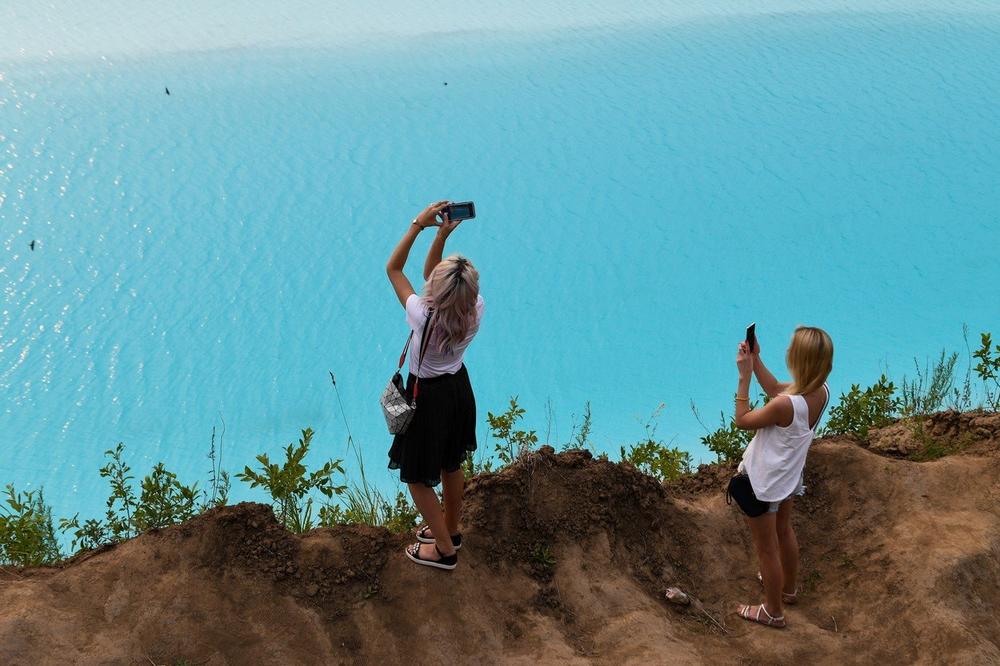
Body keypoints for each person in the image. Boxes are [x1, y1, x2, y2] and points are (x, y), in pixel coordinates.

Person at [385, 200, 484, 571]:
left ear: (435, 295)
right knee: (451, 464)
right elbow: (433, 280)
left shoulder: (422, 314)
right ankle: (452, 530)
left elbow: (393, 269)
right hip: (459, 389)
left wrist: (418, 225)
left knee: (416, 477)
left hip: (428, 397)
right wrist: (441, 235)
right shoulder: (475, 310)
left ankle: (444, 550)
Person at [731, 326, 833, 628]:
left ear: (797, 359)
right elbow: (777, 388)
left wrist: (744, 377)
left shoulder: (784, 405)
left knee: (767, 549)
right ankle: (788, 589)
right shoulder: (820, 391)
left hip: (764, 482)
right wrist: (757, 359)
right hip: (788, 477)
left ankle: (772, 611)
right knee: (784, 531)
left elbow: (743, 421)